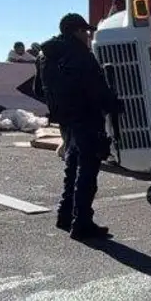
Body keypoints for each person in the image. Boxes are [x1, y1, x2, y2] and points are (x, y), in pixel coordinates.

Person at [36, 13, 121, 241]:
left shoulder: (45, 55)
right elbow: (96, 87)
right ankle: (82, 222)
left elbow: (37, 90)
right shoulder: (80, 54)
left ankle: (65, 214)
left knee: (72, 166)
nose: (87, 35)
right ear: (75, 31)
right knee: (88, 169)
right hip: (86, 116)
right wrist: (114, 105)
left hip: (65, 119)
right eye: (85, 31)